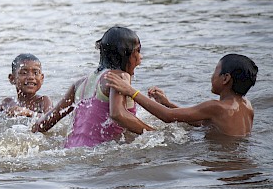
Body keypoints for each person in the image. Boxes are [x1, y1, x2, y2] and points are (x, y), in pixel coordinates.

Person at [31, 26, 154, 148]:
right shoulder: (120, 77)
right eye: (137, 51)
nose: (140, 57)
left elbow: (44, 123)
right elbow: (118, 114)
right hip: (98, 154)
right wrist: (152, 132)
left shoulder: (79, 84)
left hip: (70, 148)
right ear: (125, 54)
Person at [104, 54, 258, 137]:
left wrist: (131, 91)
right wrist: (167, 103)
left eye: (215, 72)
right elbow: (204, 122)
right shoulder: (246, 105)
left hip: (223, 162)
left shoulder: (216, 106)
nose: (212, 77)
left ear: (225, 79)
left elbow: (169, 117)